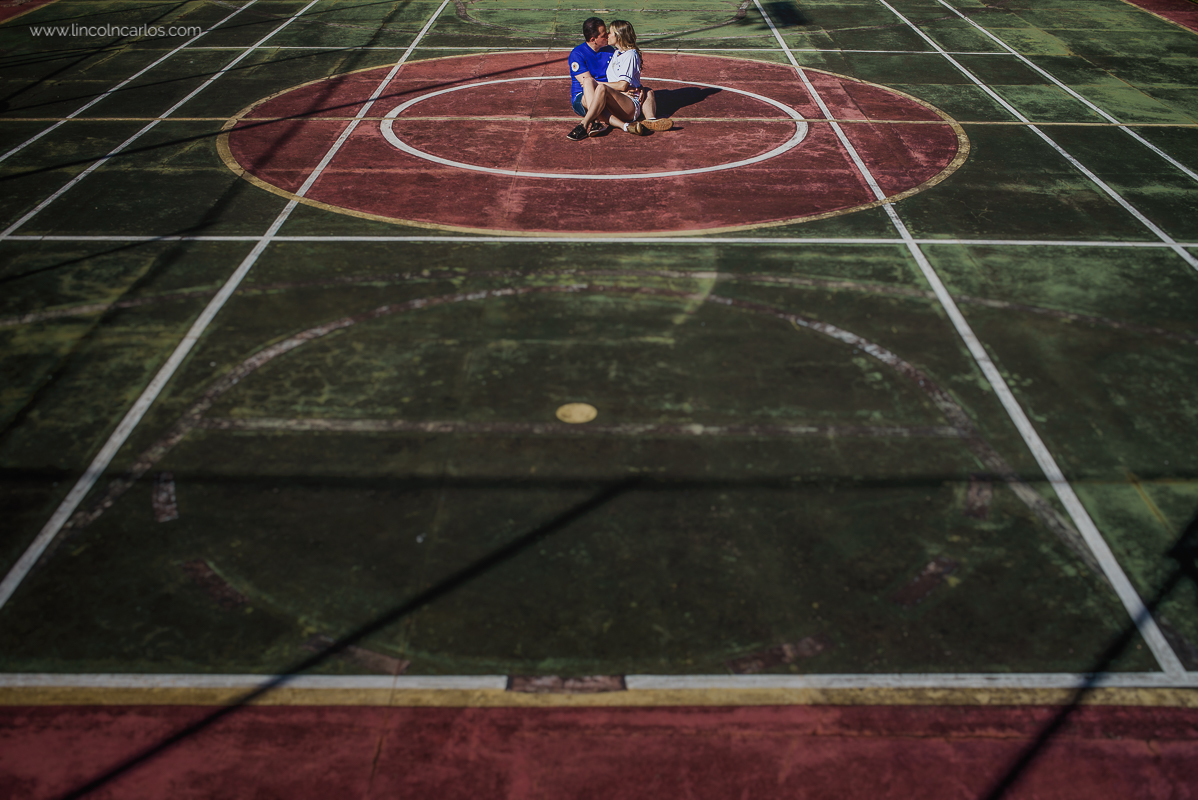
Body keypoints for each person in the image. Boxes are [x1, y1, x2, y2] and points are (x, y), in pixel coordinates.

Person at [565, 18, 671, 141]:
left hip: (609, 93)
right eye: (604, 34)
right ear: (593, 40)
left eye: (608, 32)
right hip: (584, 96)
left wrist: (635, 87)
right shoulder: (577, 54)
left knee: (647, 91)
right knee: (592, 85)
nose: (607, 35)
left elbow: (624, 76)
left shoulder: (611, 50)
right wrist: (620, 89)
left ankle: (642, 122)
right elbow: (586, 83)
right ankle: (597, 122)